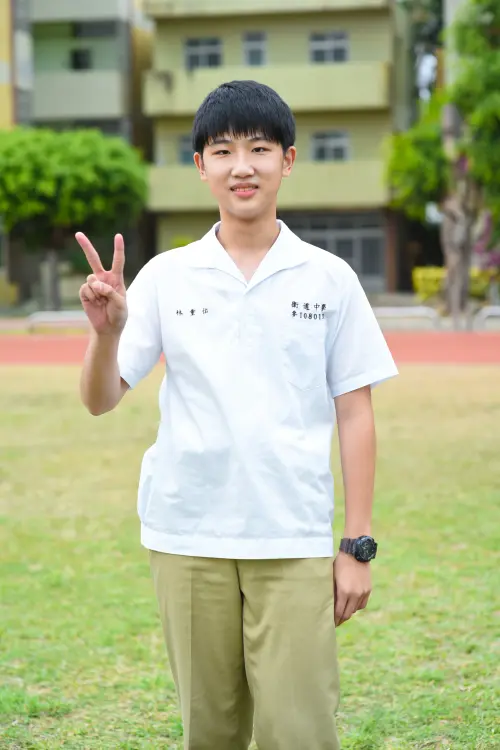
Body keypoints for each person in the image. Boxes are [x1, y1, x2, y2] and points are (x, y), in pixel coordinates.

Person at [77, 80, 398, 750]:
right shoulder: (167, 276)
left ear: (288, 160)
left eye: (259, 148)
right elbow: (100, 398)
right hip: (187, 537)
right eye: (222, 151)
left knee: (300, 732)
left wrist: (357, 546)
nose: (242, 166)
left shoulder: (329, 278)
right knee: (211, 733)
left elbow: (355, 412)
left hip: (292, 538)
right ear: (201, 166)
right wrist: (106, 335)